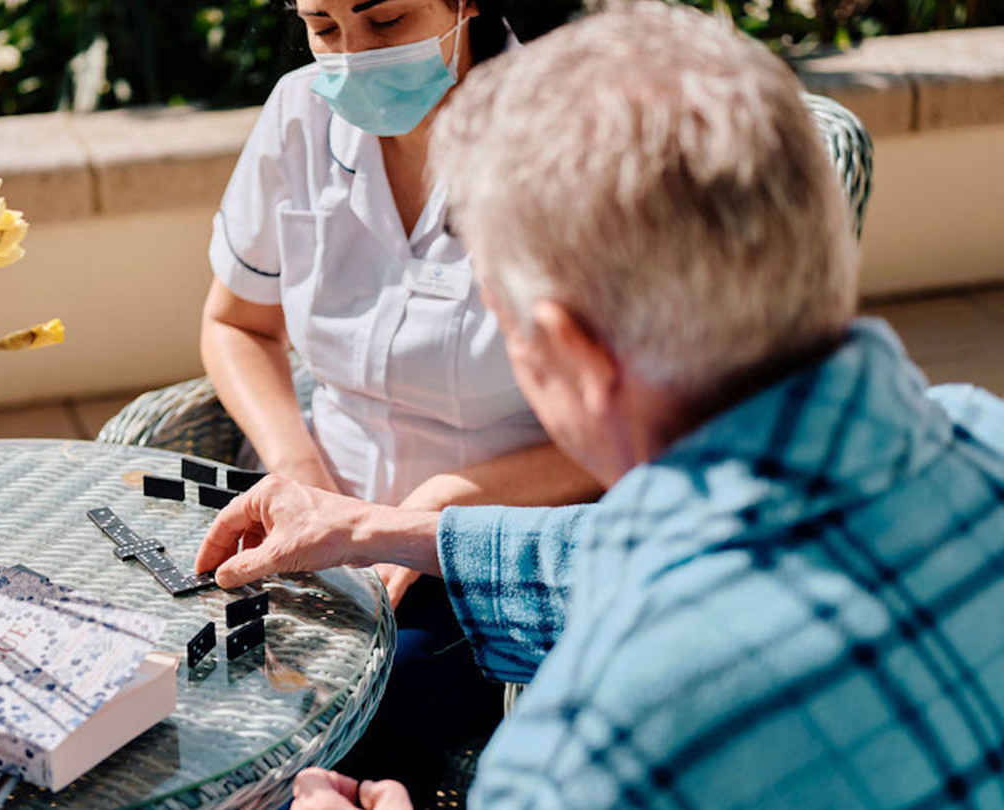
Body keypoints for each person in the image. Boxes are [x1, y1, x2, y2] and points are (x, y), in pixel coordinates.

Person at [194, 3, 1004, 808]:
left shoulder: (578, 759)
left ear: (571, 354)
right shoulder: (981, 429)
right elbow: (614, 549)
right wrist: (385, 528)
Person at [201, 0, 599, 795]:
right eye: (323, 28)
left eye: (384, 21)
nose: (352, 58)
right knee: (193, 686)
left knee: (350, 711)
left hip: (481, 547)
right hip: (318, 513)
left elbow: (635, 425)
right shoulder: (299, 116)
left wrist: (435, 507)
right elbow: (235, 323)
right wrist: (300, 470)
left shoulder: (574, 146)